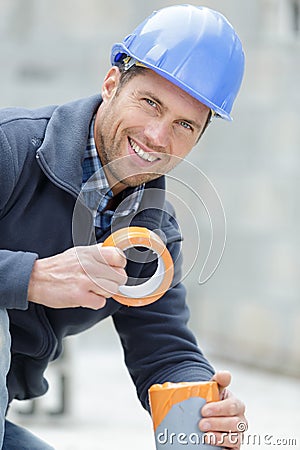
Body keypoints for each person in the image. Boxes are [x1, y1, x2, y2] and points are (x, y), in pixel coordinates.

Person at [0, 4, 247, 449]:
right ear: (112, 84)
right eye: (150, 103)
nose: (157, 136)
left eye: (183, 125)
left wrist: (205, 411)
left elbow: (165, 353)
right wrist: (29, 278)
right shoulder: (9, 148)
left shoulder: (153, 237)